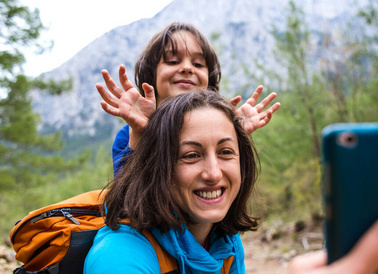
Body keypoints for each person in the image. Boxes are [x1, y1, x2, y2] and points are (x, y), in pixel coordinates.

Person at [80, 90, 378, 274]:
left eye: (226, 152)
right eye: (190, 155)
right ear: (159, 168)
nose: (213, 172)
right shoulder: (122, 254)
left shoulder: (224, 243)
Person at [95, 22, 280, 175]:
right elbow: (125, 196)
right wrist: (140, 134)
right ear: (152, 75)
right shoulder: (129, 135)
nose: (187, 68)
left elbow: (231, 183)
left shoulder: (219, 129)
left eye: (198, 63)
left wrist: (237, 136)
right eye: (173, 61)